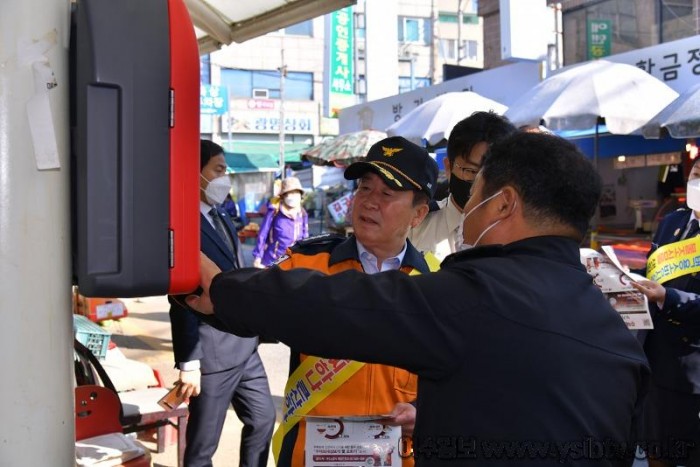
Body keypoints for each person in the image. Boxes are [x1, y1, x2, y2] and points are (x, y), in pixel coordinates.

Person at [188, 132, 650, 466]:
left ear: (504, 205)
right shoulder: (616, 337)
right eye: (363, 188)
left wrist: (222, 290)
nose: (467, 209)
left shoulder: (461, 293)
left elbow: (338, 308)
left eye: (477, 194)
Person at [270, 136, 437, 466]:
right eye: (364, 188)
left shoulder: (437, 283)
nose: (370, 202)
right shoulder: (305, 265)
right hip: (312, 456)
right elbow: (240, 309)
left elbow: (459, 380)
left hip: (398, 457)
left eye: (387, 193)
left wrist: (423, 412)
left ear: (418, 215)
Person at [168, 139, 275, 467]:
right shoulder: (181, 224)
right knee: (202, 446)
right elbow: (181, 296)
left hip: (245, 346)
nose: (224, 178)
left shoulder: (220, 215)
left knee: (263, 420)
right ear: (194, 173)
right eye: (218, 170)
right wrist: (189, 363)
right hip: (212, 352)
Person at [630, 156, 700, 467]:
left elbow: (667, 292)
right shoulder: (673, 222)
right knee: (656, 451)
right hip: (657, 362)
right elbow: (651, 272)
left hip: (694, 372)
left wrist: (667, 297)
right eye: (697, 173)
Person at [409, 111, 516, 260]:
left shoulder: (519, 234)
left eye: (493, 174)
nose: (481, 184)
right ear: (448, 168)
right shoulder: (414, 227)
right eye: (471, 171)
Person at [252, 176, 309, 268]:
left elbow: (305, 236)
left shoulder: (302, 213)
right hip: (274, 260)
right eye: (289, 193)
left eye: (295, 193)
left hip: (295, 262)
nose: (292, 196)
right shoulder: (274, 211)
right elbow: (263, 234)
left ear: (300, 195)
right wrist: (258, 257)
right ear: (283, 196)